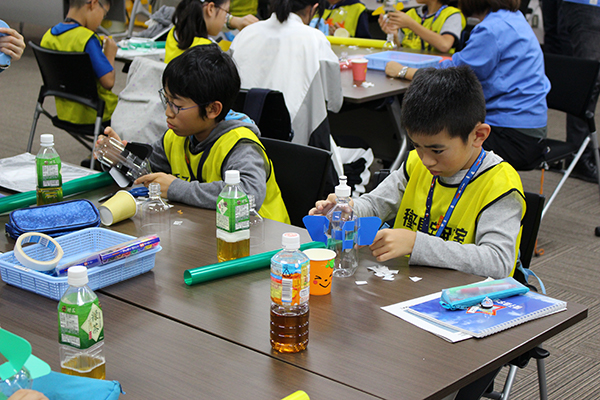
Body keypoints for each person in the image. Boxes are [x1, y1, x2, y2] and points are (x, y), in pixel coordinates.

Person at [311, 66, 526, 279]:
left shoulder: (500, 184)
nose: (426, 160)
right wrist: (347, 211)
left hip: (468, 300)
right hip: (410, 287)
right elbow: (376, 205)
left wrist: (416, 243)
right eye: (416, 145)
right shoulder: (416, 163)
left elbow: (498, 261)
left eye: (437, 150)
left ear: (478, 135)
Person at [104, 44, 290, 223]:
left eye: (177, 105)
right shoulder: (176, 136)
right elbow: (148, 172)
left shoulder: (240, 145)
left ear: (212, 109)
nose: (168, 112)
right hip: (209, 230)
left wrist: (177, 188)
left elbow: (248, 195)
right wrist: (122, 158)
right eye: (166, 100)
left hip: (261, 239)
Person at [384, 0, 550, 171]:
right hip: (528, 131)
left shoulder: (491, 30)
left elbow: (456, 74)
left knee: (433, 138)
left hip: (512, 136)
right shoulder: (512, 18)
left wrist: (404, 71)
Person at [229, 0, 343, 147]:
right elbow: (335, 102)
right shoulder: (316, 40)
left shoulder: (244, 35)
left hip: (241, 142)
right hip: (296, 150)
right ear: (313, 9)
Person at [40, 0, 118, 125]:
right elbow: (108, 82)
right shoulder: (87, 39)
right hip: (96, 114)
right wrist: (110, 54)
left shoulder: (47, 36)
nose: (100, 22)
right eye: (103, 15)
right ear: (93, 3)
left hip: (64, 113)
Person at [556, 0, 600, 182]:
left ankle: (585, 152)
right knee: (589, 80)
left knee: (588, 79)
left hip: (583, 8)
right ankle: (579, 156)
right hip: (588, 6)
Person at [164, 0, 258, 63]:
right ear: (210, 9)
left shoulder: (174, 33)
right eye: (226, 11)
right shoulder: (209, 50)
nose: (225, 19)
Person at [378, 0, 465, 53]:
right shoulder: (411, 14)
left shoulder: (452, 15)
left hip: (437, 71)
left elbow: (444, 45)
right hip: (408, 66)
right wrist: (393, 35)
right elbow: (398, 50)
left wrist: (411, 24)